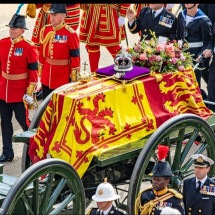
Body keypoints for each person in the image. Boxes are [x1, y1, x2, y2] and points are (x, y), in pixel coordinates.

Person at [0, 5, 38, 162]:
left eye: (15, 28)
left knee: (25, 124)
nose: (12, 30)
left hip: (20, 93)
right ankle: (7, 152)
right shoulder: (2, 43)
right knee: (5, 124)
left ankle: (34, 152)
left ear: (22, 30)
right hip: (4, 91)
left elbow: (34, 73)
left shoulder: (28, 47)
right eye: (11, 28)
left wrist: (29, 94)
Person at [38, 4, 80, 100]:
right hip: (46, 76)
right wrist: (41, 73)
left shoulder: (70, 34)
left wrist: (73, 79)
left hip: (61, 78)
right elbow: (42, 54)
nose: (52, 18)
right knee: (46, 108)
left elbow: (75, 58)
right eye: (51, 15)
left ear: (63, 16)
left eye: (55, 15)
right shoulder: (45, 30)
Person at [79, 4, 130, 73]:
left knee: (113, 46)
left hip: (109, 13)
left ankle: (127, 69)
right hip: (92, 11)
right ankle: (94, 74)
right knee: (92, 45)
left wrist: (122, 16)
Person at [135, 145, 185, 215]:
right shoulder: (144, 195)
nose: (154, 182)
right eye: (154, 179)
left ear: (167, 181)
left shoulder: (175, 199)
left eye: (158, 180)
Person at [177, 4, 212, 97]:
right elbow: (178, 35)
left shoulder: (204, 20)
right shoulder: (181, 15)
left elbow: (207, 42)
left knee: (193, 84)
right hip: (181, 56)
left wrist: (201, 55)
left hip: (195, 57)